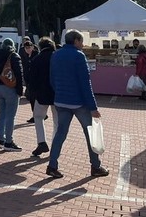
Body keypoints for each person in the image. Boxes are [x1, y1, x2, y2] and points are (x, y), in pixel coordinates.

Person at [46, 29, 108, 179]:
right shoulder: (79, 56)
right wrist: (93, 107)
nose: (82, 44)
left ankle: (52, 165)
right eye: (81, 41)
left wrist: (59, 92)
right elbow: (86, 84)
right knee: (90, 134)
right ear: (76, 41)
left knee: (60, 134)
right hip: (78, 102)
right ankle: (95, 166)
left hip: (61, 100)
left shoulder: (56, 55)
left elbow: (52, 78)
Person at [26, 37, 58, 157]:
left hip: (41, 94)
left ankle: (41, 142)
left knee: (38, 117)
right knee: (57, 122)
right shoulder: (57, 58)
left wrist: (32, 94)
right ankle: (56, 145)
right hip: (57, 94)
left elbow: (31, 80)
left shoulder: (36, 59)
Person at [0, 38, 24, 151]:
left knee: (2, 113)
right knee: (10, 115)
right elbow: (19, 73)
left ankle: (1, 139)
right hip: (9, 87)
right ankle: (9, 142)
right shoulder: (13, 55)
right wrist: (20, 90)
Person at [20, 37, 39, 123]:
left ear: (32, 47)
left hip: (35, 80)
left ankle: (37, 115)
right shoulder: (25, 55)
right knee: (31, 98)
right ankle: (35, 115)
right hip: (28, 80)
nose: (27, 49)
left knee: (34, 98)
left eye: (29, 47)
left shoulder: (36, 55)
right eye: (26, 48)